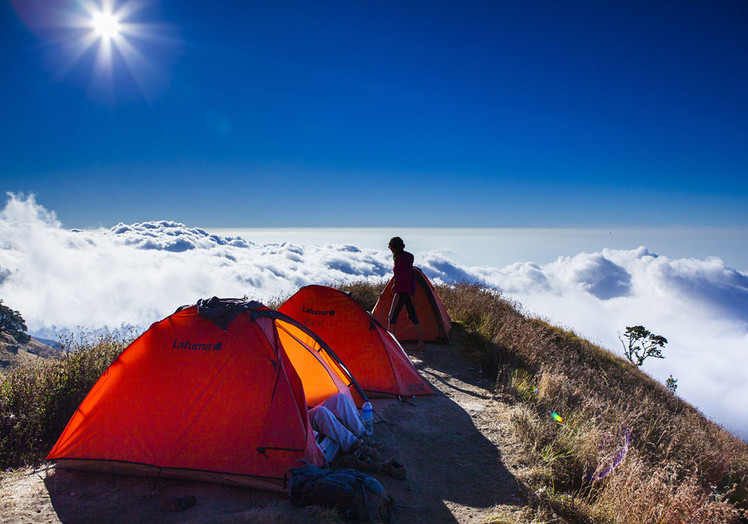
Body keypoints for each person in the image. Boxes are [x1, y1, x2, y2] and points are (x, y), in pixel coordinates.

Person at [309, 394, 406, 479]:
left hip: (303, 412)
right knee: (320, 412)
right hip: (299, 425)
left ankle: (362, 436)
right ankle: (355, 444)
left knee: (339, 398)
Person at [387, 236, 425, 350]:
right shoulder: (404, 257)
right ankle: (421, 342)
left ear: (394, 247)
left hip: (402, 292)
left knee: (391, 316)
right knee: (412, 315)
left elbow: (408, 276)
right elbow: (402, 274)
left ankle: (390, 345)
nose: (389, 248)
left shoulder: (399, 259)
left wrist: (411, 295)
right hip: (406, 291)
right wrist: (395, 283)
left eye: (390, 246)